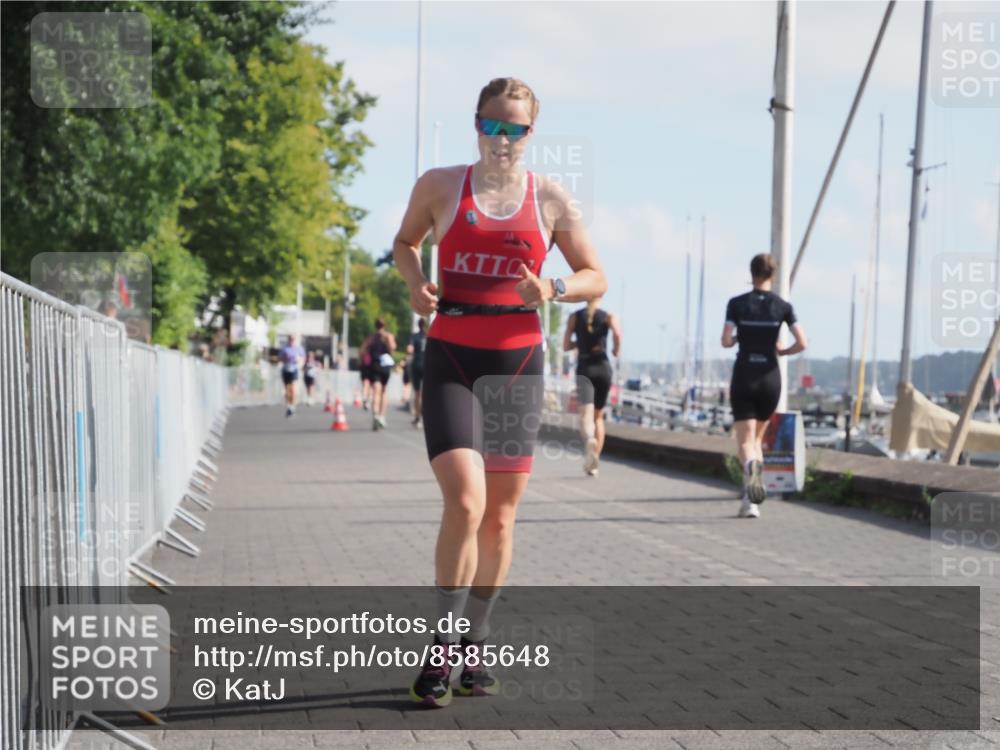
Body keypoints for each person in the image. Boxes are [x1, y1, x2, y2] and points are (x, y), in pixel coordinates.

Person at [393, 77, 606, 707]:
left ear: (530, 134)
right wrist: (415, 283)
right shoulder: (439, 185)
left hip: (517, 363)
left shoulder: (551, 198)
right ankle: (440, 647)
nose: (502, 138)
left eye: (515, 128)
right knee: (465, 503)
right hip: (453, 356)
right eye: (492, 124)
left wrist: (554, 289)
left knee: (501, 519)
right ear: (477, 124)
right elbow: (405, 243)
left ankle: (475, 641)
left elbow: (596, 275)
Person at [721, 253, 807, 518]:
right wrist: (783, 351)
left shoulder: (736, 304)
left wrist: (739, 338)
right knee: (757, 439)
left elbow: (725, 341)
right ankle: (751, 502)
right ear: (773, 274)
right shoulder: (783, 306)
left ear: (752, 273)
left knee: (745, 442)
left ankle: (750, 468)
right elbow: (802, 343)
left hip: (745, 374)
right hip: (770, 377)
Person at [563, 298, 620, 476]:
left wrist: (579, 342)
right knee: (598, 417)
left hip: (585, 367)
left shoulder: (574, 317)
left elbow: (566, 345)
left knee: (586, 417)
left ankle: (589, 440)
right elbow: (618, 334)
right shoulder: (608, 316)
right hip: (603, 367)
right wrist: (616, 350)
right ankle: (594, 463)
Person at [366, 319, 396, 430]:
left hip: (374, 366)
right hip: (385, 367)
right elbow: (393, 347)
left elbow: (364, 349)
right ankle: (382, 416)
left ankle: (375, 415)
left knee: (376, 391)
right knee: (384, 391)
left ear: (375, 325)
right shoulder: (388, 336)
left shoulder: (371, 337)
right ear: (385, 325)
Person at [407, 317, 428, 428]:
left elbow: (409, 349)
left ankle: (417, 417)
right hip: (427, 365)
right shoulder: (429, 336)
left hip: (417, 364)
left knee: (417, 393)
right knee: (426, 393)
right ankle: (426, 416)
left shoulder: (414, 336)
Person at [278, 334, 305, 418]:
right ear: (288, 339)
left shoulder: (299, 348)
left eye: (293, 339)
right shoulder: (285, 348)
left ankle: (292, 406)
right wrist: (285, 359)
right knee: (287, 390)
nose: (292, 340)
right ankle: (289, 406)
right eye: (290, 339)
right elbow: (280, 358)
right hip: (286, 369)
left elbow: (303, 359)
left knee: (293, 389)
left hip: (295, 370)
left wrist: (299, 362)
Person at [359, 338, 374, 410]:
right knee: (370, 386)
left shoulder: (363, 350)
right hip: (370, 368)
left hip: (364, 368)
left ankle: (365, 398)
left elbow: (360, 359)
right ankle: (367, 400)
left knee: (365, 384)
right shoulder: (373, 350)